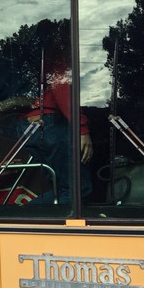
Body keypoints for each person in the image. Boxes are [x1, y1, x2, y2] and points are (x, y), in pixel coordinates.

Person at [16, 61, 93, 205]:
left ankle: (22, 217)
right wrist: (82, 128)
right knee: (78, 190)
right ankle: (22, 216)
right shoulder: (59, 55)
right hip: (49, 123)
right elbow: (62, 88)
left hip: (27, 126)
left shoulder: (32, 62)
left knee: (62, 189)